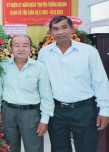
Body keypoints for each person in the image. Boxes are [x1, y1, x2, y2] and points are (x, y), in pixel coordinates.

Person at [38, 16, 109, 152]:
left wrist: (105, 110)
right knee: (59, 149)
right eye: (56, 29)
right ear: (51, 33)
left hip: (84, 110)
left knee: (87, 148)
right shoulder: (44, 53)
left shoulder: (89, 52)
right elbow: (42, 84)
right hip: (57, 110)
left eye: (64, 27)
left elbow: (100, 82)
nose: (60, 32)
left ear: (72, 29)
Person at [0, 35, 54, 152]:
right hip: (8, 112)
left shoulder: (39, 68)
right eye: (17, 45)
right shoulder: (3, 65)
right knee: (9, 148)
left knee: (33, 148)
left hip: (31, 114)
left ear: (30, 48)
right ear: (11, 48)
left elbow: (46, 96)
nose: (21, 49)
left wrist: (44, 120)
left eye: (25, 45)